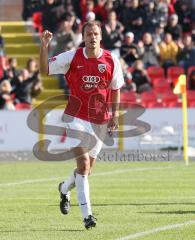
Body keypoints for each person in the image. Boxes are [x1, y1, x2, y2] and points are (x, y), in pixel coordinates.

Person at [39, 21, 124, 229]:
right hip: (75, 118)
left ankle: (64, 188)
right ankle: (87, 216)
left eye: (95, 33)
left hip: (100, 121)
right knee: (84, 165)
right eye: (88, 34)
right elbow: (45, 70)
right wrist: (44, 47)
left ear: (100, 36)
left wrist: (114, 115)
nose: (92, 37)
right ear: (83, 37)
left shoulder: (111, 59)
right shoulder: (72, 57)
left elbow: (116, 88)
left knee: (85, 170)